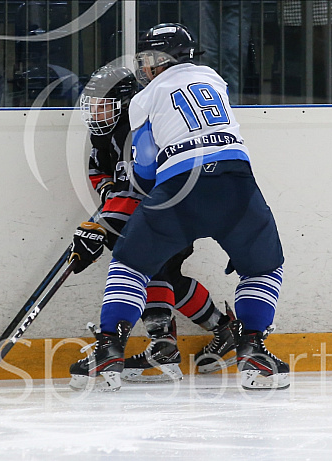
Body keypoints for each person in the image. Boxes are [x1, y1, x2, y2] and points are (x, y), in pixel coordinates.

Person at [69, 24, 289, 392]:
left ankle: (109, 350)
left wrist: (114, 218)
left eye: (145, 59)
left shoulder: (143, 99)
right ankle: (253, 351)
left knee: (129, 265)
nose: (142, 67)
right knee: (264, 268)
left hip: (180, 187)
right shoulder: (214, 79)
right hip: (238, 183)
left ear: (158, 60)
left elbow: (145, 170)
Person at [69, 65, 235, 384]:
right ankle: (220, 329)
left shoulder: (143, 129)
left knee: (148, 267)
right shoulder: (103, 135)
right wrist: (107, 193)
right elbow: (100, 171)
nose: (96, 114)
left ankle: (163, 350)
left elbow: (141, 187)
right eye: (92, 106)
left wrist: (101, 222)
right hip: (145, 214)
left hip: (173, 211)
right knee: (168, 274)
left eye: (103, 105)